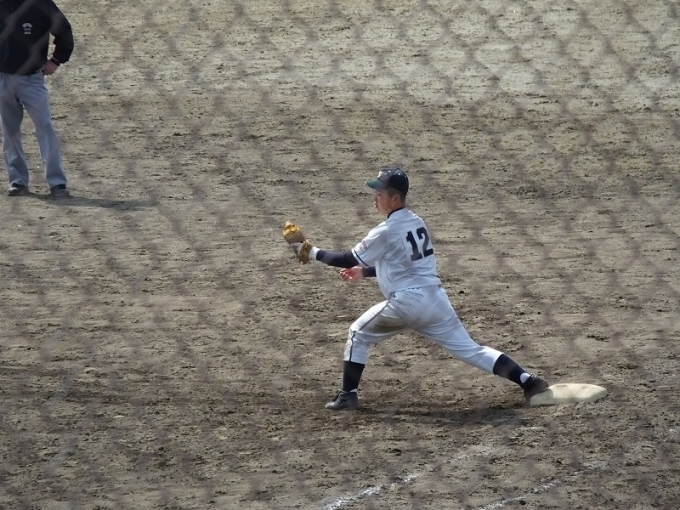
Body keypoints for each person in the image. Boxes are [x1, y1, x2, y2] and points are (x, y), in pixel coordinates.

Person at [291, 166, 550, 411]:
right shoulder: (416, 222)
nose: (374, 199)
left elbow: (346, 258)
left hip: (407, 302)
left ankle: (348, 396)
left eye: (379, 194)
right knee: (472, 350)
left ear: (394, 199)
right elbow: (405, 264)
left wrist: (309, 251)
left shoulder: (386, 230)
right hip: (435, 301)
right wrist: (365, 271)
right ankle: (528, 381)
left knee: (358, 334)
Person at [0, 0, 74, 198]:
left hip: (32, 79)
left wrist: (56, 60)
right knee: (10, 131)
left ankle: (57, 183)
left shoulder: (40, 4)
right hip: (3, 78)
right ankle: (18, 182)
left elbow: (64, 30)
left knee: (45, 126)